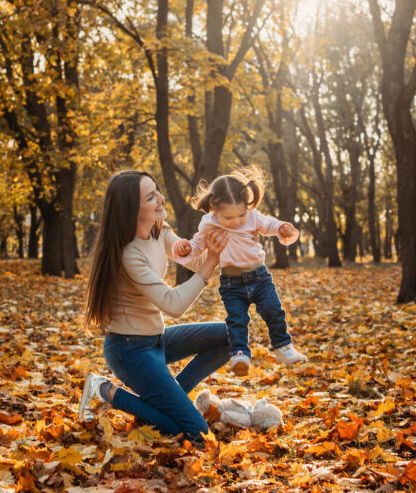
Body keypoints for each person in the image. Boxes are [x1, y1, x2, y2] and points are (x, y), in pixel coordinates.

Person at [79, 170, 231, 446]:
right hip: (129, 351)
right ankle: (103, 390)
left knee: (233, 335)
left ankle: (168, 406)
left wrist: (221, 237)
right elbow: (173, 305)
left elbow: (198, 262)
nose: (161, 198)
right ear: (131, 209)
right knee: (197, 435)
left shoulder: (159, 232)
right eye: (151, 197)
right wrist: (210, 263)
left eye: (158, 190)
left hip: (156, 341)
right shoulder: (129, 255)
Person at [173, 166, 307, 377]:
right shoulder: (209, 222)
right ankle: (239, 354)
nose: (236, 222)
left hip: (259, 277)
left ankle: (283, 346)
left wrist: (282, 228)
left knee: (273, 309)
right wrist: (186, 248)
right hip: (231, 283)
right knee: (236, 320)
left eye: (241, 215)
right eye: (229, 218)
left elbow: (270, 224)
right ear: (214, 209)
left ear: (247, 206)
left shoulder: (253, 217)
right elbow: (198, 244)